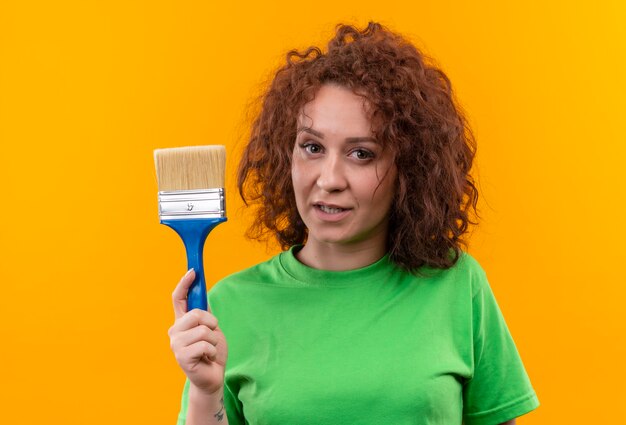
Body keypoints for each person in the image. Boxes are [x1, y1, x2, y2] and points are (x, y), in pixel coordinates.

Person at [168, 22, 539, 425]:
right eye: (312, 147)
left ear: (408, 169)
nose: (328, 179)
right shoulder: (230, 305)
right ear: (285, 155)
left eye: (361, 153)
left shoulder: (458, 286)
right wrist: (205, 394)